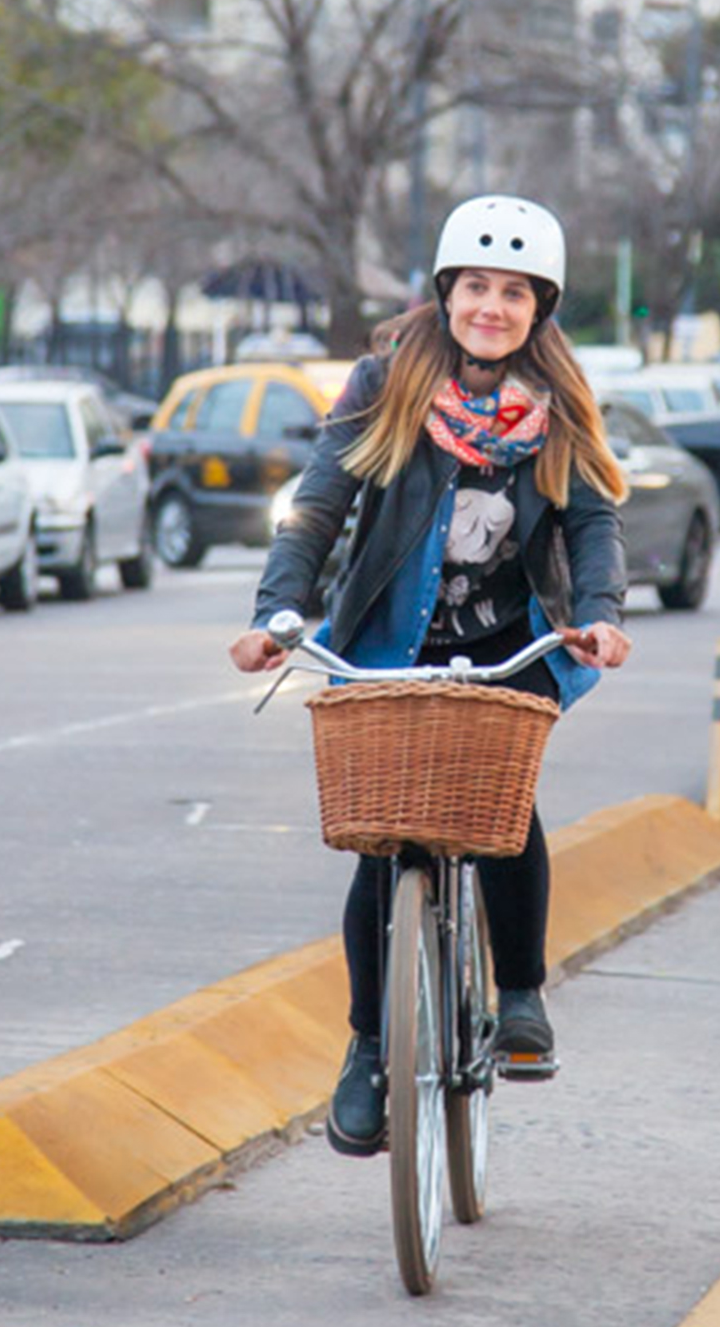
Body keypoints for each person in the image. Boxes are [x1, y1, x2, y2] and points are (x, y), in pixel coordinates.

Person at [229, 193, 632, 1156]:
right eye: (476, 287)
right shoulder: (384, 381)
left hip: (510, 641)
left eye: (515, 292)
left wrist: (602, 619)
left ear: (541, 307)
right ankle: (370, 1048)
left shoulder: (560, 401)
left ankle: (523, 994)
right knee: (384, 841)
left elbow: (592, 522)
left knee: (501, 808)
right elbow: (319, 506)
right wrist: (273, 617)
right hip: (386, 642)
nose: (491, 307)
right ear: (447, 291)